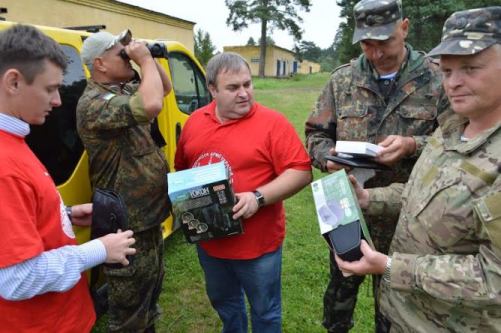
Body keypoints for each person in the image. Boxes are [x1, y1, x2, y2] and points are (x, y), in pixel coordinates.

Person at [336, 6, 501, 332]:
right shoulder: (451, 130)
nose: (453, 83)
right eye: (448, 70)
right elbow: (418, 197)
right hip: (400, 313)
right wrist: (370, 199)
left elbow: (493, 280)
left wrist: (391, 266)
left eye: (470, 68)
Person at [304, 0, 445, 331]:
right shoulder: (343, 81)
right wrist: (328, 159)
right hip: (350, 211)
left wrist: (413, 145)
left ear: (404, 28)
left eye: (385, 42)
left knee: (395, 307)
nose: (377, 53)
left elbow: (453, 144)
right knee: (339, 300)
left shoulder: (437, 79)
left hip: (409, 218)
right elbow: (315, 135)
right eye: (368, 43)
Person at [0, 24, 136, 333]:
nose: (59, 100)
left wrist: (66, 214)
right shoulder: (4, 165)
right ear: (14, 82)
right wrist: (100, 249)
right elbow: (15, 277)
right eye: (50, 89)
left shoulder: (13, 140)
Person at [175, 52, 312, 333]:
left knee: (265, 311)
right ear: (212, 89)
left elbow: (301, 171)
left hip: (258, 248)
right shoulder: (194, 123)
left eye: (247, 85)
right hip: (211, 244)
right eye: (233, 88)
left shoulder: (272, 123)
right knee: (225, 304)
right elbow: (183, 170)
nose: (244, 94)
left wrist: (257, 198)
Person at [77, 29, 172, 332]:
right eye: (120, 51)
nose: (127, 54)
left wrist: (149, 58)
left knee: (150, 294)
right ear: (100, 63)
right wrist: (142, 60)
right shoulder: (93, 103)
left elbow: (163, 89)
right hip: (126, 223)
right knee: (129, 310)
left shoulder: (123, 90)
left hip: (148, 217)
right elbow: (151, 105)